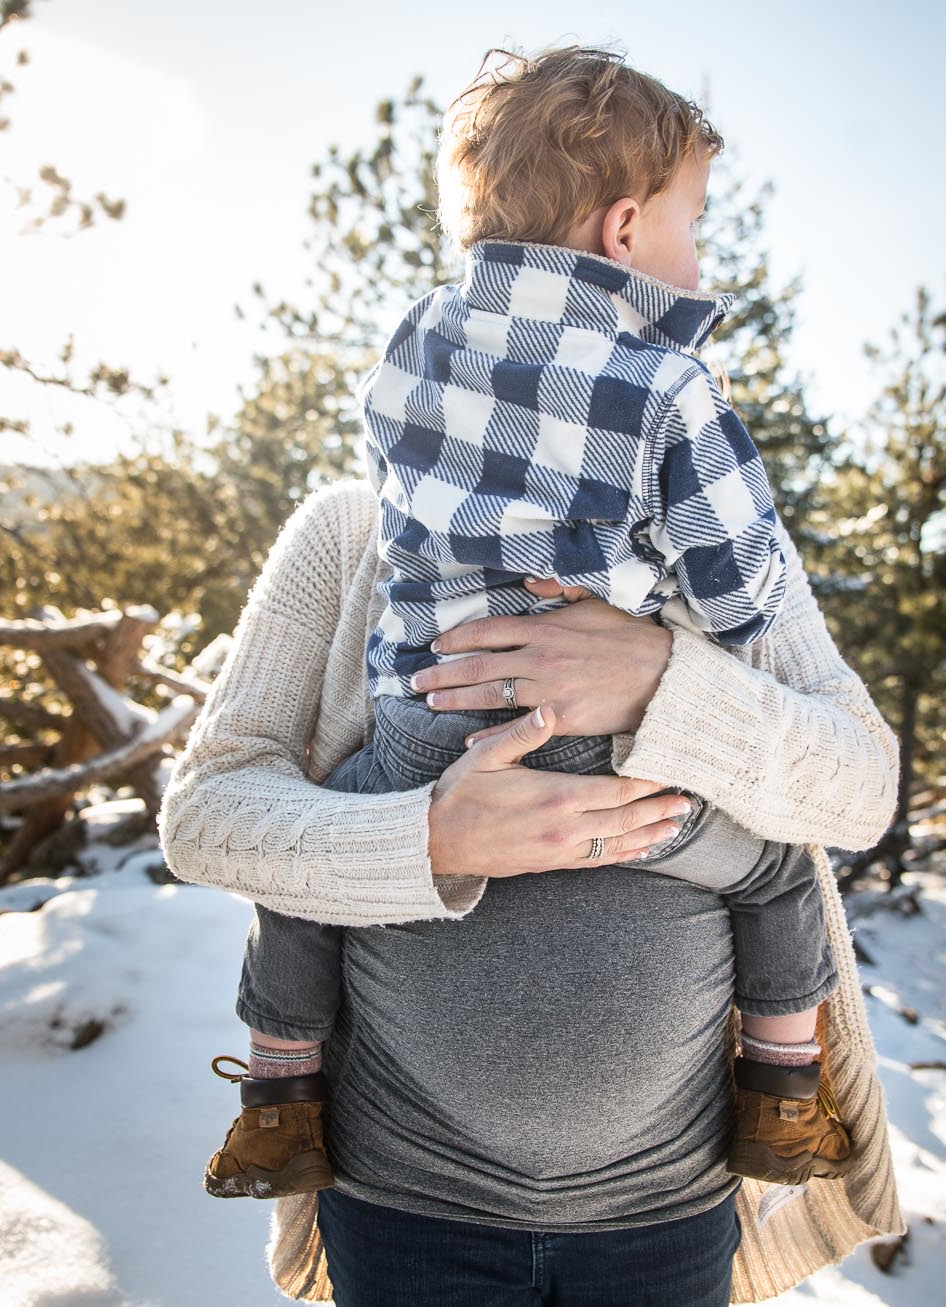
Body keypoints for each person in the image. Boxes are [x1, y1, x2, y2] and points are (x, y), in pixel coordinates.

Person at [199, 44, 852, 1209]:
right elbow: (741, 587)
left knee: (298, 878)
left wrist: (635, 666)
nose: (700, 257)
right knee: (774, 875)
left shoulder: (411, 343)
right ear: (621, 231)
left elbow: (865, 778)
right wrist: (675, 659)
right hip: (607, 760)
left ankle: (277, 1093)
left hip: (421, 721)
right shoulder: (668, 384)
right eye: (691, 222)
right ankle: (785, 1084)